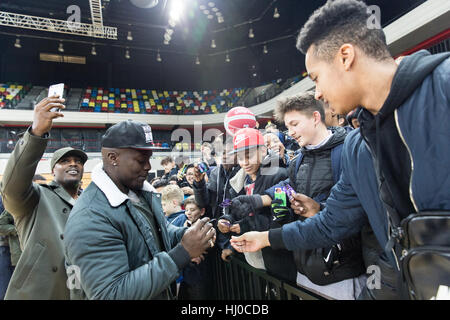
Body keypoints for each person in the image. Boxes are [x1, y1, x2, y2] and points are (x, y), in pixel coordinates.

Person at [230, 0, 450, 300]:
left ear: (345, 56)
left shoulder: (443, 86)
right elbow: (331, 223)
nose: (317, 93)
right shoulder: (358, 148)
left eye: (316, 77)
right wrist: (266, 238)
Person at [229, 92, 366, 299]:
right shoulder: (298, 160)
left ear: (315, 117)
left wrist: (318, 210)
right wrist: (258, 200)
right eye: (287, 126)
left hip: (341, 271)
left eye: (294, 124)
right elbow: (288, 187)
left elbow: (353, 211)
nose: (290, 132)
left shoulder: (347, 150)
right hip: (304, 268)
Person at [64, 120, 215, 300]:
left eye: (149, 159)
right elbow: (111, 294)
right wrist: (182, 253)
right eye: (141, 160)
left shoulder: (138, 192)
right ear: (113, 158)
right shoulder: (90, 217)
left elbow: (158, 234)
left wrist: (189, 234)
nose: (149, 167)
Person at [0, 95, 88, 300]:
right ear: (53, 170)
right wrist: (37, 133)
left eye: (78, 161)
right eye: (65, 161)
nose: (73, 164)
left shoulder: (91, 202)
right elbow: (12, 187)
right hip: (43, 292)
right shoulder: (36, 197)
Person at [219, 128, 297, 283]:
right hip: (252, 259)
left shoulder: (279, 175)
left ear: (262, 150)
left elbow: (283, 218)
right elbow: (229, 206)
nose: (244, 162)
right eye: (240, 158)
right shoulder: (237, 182)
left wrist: (247, 225)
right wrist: (225, 220)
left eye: (249, 156)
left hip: (278, 259)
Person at [178, 196, 213, 300]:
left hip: (199, 275)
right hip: (184, 275)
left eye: (192, 210)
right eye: (186, 210)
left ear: (202, 211)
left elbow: (210, 245)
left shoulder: (205, 227)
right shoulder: (183, 225)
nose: (188, 213)